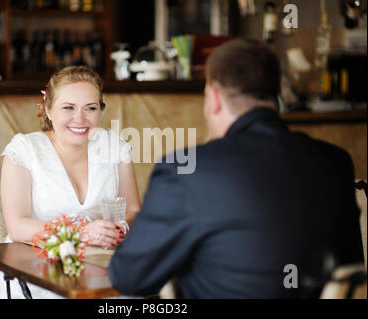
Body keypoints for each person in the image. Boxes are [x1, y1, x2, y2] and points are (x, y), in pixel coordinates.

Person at [108, 39, 364, 298]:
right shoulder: (336, 162)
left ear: (215, 98)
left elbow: (128, 275)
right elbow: (350, 269)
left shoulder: (185, 171)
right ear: (276, 93)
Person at [0, 66, 141, 299]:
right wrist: (80, 233)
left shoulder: (114, 146)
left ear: (101, 111)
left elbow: (133, 210)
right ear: (48, 110)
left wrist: (121, 228)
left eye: (90, 108)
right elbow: (17, 227)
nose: (80, 119)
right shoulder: (24, 150)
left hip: (100, 267)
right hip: (34, 270)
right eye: (68, 107)